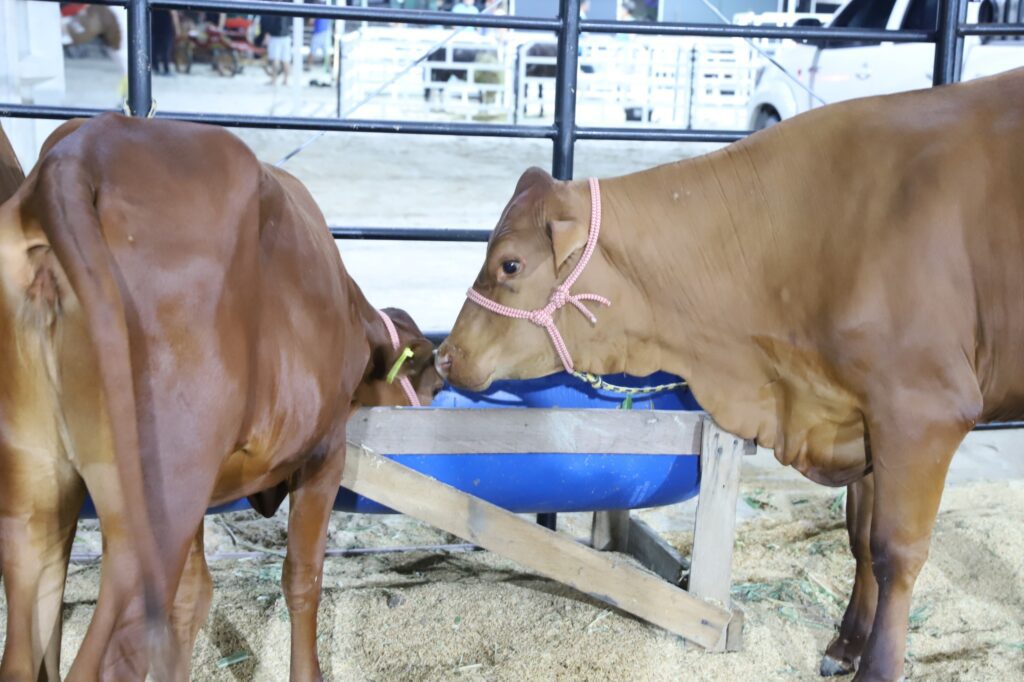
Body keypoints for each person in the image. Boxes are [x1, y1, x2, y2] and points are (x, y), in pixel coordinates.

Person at [261, 13, 291, 86]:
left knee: (276, 60)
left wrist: (267, 34)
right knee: (286, 60)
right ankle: (285, 80)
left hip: (275, 36)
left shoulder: (273, 7)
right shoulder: (286, 6)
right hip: (286, 35)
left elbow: (269, 22)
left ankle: (274, 80)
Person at [151, 9, 178, 76]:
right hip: (166, 26)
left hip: (155, 25)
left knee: (155, 47)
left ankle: (156, 67)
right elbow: (173, 13)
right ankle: (166, 69)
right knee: (166, 48)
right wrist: (177, 29)